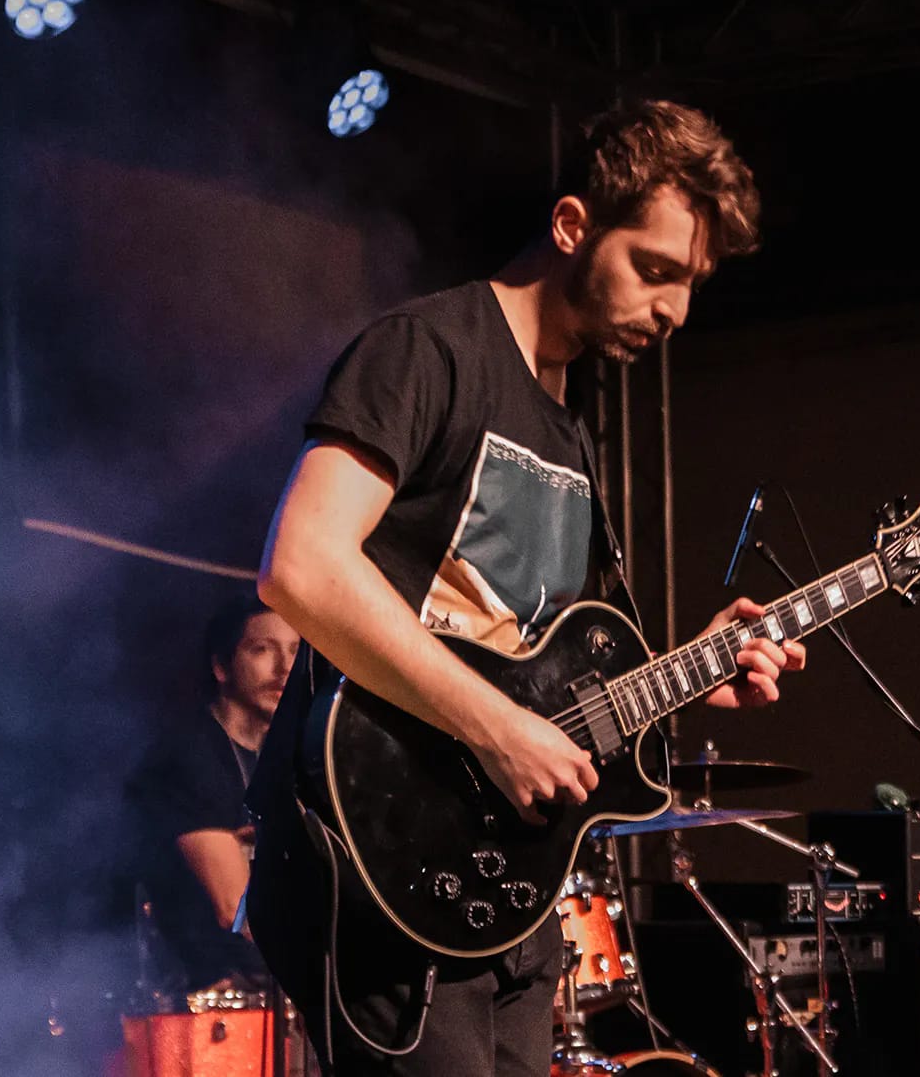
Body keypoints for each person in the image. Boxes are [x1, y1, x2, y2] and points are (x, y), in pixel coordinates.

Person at [244, 100, 808, 1076]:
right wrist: (493, 728)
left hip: (501, 891)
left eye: (691, 285)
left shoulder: (569, 433)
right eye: (657, 269)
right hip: (380, 862)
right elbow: (301, 564)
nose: (674, 309)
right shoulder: (430, 351)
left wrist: (690, 671)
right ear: (570, 226)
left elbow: (547, 682)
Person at [126, 600, 301, 994]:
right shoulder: (186, 755)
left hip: (270, 988)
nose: (284, 668)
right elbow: (236, 909)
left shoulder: (289, 759)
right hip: (202, 1000)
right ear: (221, 667)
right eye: (262, 650)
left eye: (294, 650)